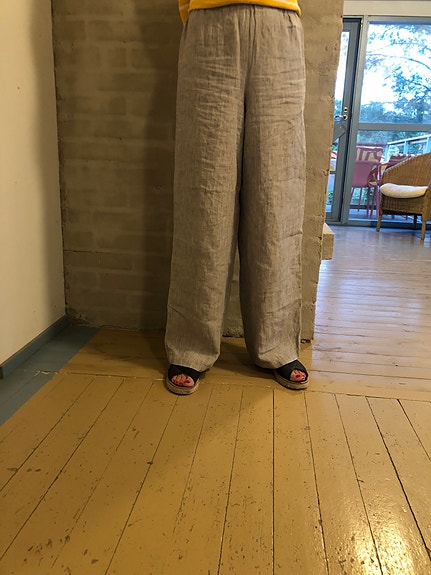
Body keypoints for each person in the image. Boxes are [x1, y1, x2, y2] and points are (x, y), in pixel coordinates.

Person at [165, 0, 308, 395]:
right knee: (204, 195)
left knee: (277, 196)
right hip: (209, 20)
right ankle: (191, 345)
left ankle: (276, 344)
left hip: (280, 22)